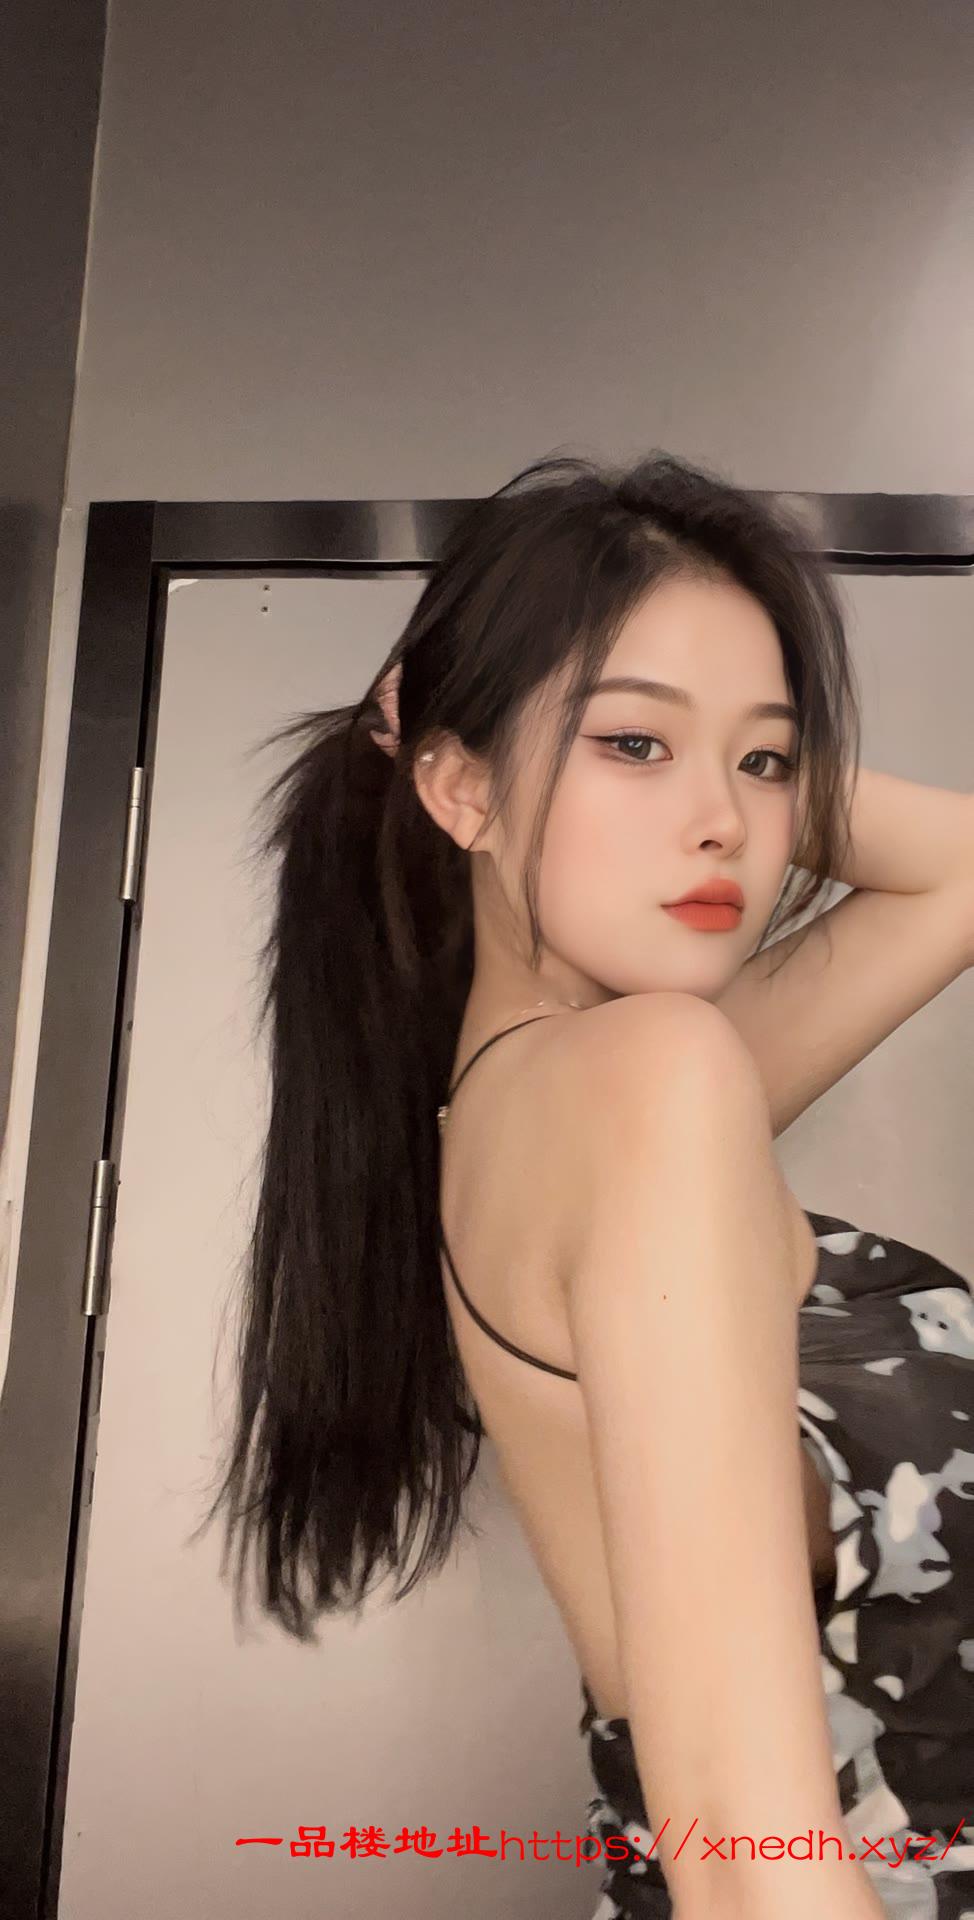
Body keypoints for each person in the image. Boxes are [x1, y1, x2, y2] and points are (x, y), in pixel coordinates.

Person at [195, 451, 974, 1919]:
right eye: (630, 742)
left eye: (766, 763)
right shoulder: (646, 1084)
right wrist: (533, 754)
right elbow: (747, 1859)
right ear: (455, 788)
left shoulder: (571, 1102)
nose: (726, 822)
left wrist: (647, 763)